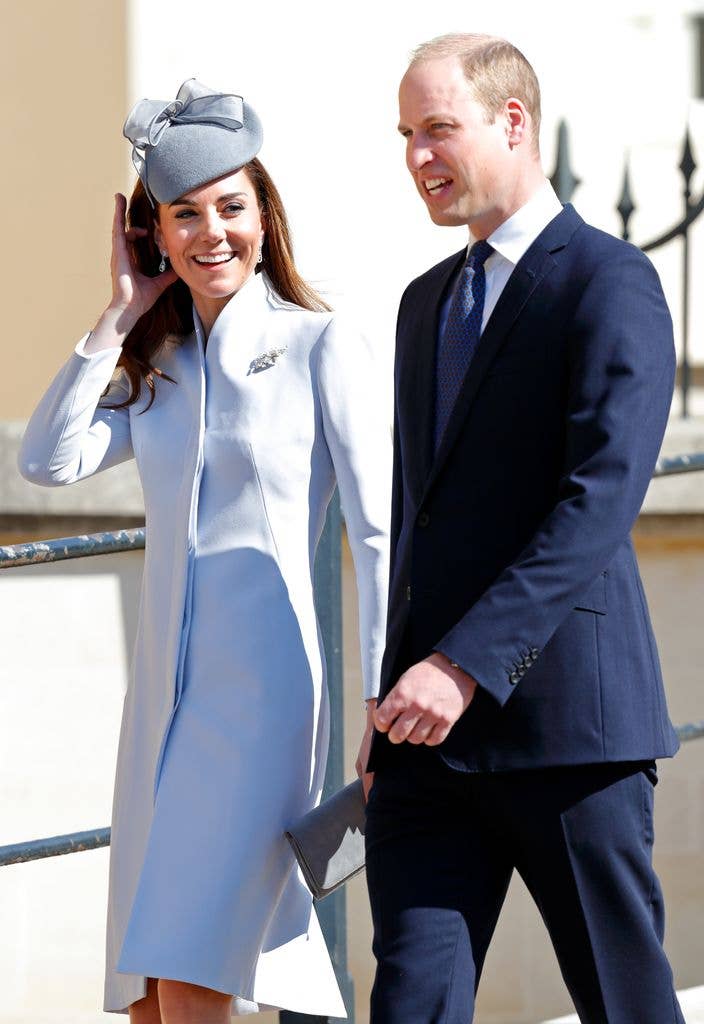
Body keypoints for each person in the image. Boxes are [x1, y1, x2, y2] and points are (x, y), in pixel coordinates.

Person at [19, 79, 390, 1023]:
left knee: (191, 970)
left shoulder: (320, 346)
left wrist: (380, 701)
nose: (210, 232)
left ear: (265, 216)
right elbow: (47, 461)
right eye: (184, 213)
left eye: (230, 207)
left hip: (262, 703)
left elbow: (380, 532)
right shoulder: (160, 369)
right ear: (153, 233)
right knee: (150, 992)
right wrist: (118, 313)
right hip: (159, 710)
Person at [361, 33, 685, 1024]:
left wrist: (460, 665)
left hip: (570, 738)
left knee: (623, 1006)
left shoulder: (609, 279)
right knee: (410, 1005)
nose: (417, 155)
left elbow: (598, 501)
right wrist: (392, 691)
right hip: (425, 746)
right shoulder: (423, 304)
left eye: (437, 128)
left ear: (512, 121)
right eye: (405, 135)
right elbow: (419, 521)